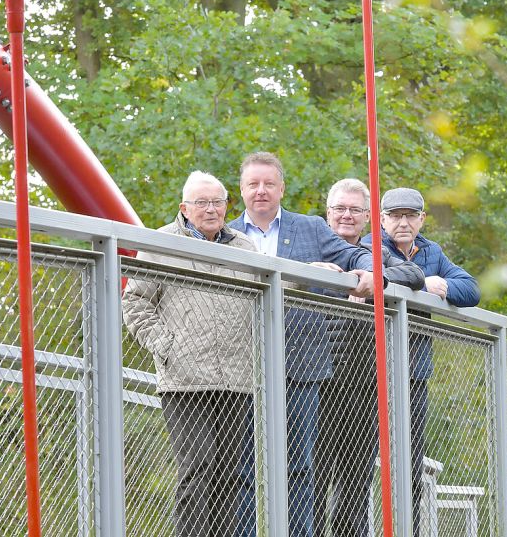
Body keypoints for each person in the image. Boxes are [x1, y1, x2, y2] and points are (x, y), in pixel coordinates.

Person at [227, 152, 378, 537]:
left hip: (302, 361)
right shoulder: (226, 236)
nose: (261, 191)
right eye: (252, 184)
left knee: (299, 466)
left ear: (282, 188)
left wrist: (365, 272)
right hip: (241, 365)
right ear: (241, 190)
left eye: (269, 184)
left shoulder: (310, 228)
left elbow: (356, 253)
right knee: (242, 468)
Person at [122, 171, 257, 536]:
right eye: (201, 202)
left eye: (217, 202)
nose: (211, 209)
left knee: (231, 474)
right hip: (184, 379)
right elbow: (135, 300)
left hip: (238, 377)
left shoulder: (245, 247)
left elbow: (268, 297)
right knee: (198, 466)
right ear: (184, 208)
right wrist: (166, 347)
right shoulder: (161, 242)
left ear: (227, 205)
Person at [363, 187, 480, 533]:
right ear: (382, 219)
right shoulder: (370, 247)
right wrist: (420, 282)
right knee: (360, 460)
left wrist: (437, 283)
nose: (403, 222)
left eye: (410, 216)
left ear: (421, 219)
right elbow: (384, 276)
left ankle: (408, 530)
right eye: (395, 216)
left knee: (411, 462)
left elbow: (470, 289)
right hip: (370, 367)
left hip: (413, 370)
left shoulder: (431, 251)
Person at [314, 178, 425, 536]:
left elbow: (414, 273)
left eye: (354, 210)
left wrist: (366, 276)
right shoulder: (311, 243)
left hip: (363, 381)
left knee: (354, 482)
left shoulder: (375, 253)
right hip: (313, 380)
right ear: (327, 213)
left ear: (366, 217)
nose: (346, 216)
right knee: (311, 477)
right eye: (339, 209)